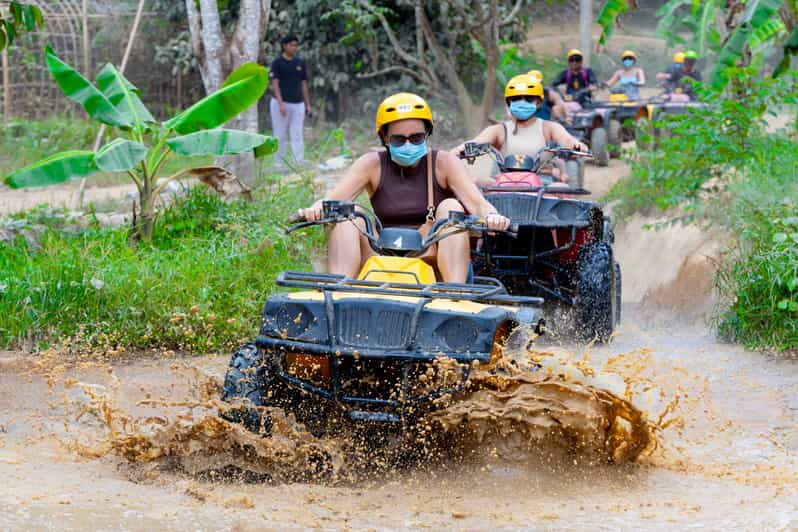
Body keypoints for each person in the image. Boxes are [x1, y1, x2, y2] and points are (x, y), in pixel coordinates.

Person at [297, 93, 510, 283]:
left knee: (451, 206)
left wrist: (492, 216)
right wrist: (315, 209)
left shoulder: (444, 163)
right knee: (347, 212)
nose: (408, 145)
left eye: (416, 138)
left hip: (431, 256)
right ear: (384, 138)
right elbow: (332, 200)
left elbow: (477, 204)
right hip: (380, 254)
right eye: (399, 139)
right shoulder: (371, 164)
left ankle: (454, 296)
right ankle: (340, 294)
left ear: (427, 134)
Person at [451, 74, 588, 186]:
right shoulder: (499, 130)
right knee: (475, 183)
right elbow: (477, 142)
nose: (522, 102)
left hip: (543, 184)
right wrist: (457, 151)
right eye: (516, 99)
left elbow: (566, 139)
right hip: (502, 184)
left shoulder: (549, 127)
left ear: (538, 102)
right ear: (508, 103)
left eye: (528, 99)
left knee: (561, 188)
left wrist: (576, 145)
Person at [270, 34, 311, 166]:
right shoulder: (277, 63)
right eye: (292, 45)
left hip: (298, 103)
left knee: (297, 133)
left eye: (296, 45)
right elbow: (275, 84)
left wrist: (307, 104)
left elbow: (304, 84)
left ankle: (298, 161)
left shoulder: (300, 62)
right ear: (284, 46)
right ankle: (279, 163)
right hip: (280, 104)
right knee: (279, 133)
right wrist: (281, 104)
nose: (294, 48)